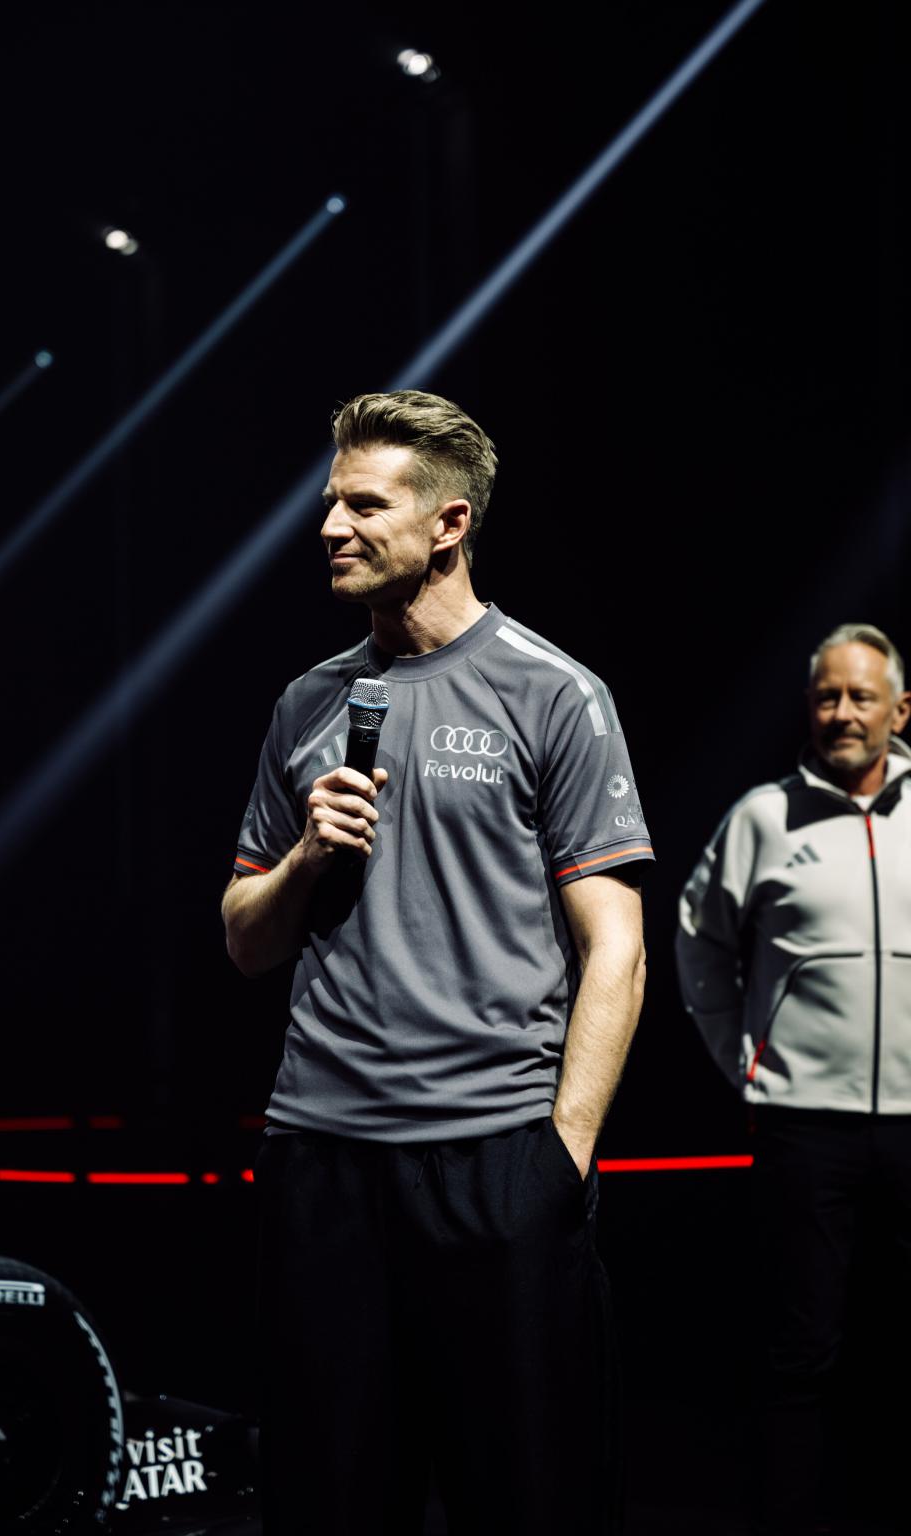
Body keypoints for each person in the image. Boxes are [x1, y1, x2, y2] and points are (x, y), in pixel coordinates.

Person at [222, 390, 653, 1536]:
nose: (331, 527)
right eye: (331, 504)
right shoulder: (306, 703)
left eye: (366, 505)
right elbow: (245, 939)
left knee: (524, 1502)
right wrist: (305, 857)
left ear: (449, 523)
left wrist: (558, 1160)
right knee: (328, 1503)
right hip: (321, 1162)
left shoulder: (552, 693)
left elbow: (615, 949)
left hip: (490, 1164)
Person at [675, 622, 911, 1536]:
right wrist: (742, 1055)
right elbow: (698, 940)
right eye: (826, 696)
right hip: (803, 1126)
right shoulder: (762, 818)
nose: (842, 712)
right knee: (800, 1354)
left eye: (861, 697)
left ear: (900, 710)